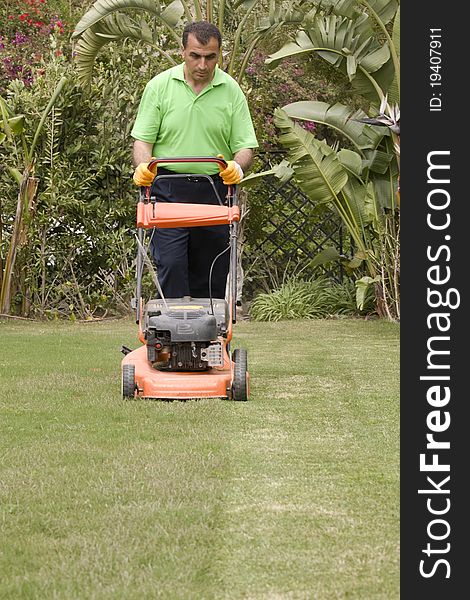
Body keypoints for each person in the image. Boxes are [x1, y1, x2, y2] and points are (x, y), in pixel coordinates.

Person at [131, 20, 258, 299]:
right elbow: (142, 141)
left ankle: (207, 338)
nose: (203, 64)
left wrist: (237, 166)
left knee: (211, 270)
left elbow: (246, 145)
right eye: (195, 56)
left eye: (210, 57)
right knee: (172, 264)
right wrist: (143, 166)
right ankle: (175, 336)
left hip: (214, 188)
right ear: (182, 51)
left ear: (219, 54)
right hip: (167, 188)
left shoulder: (231, 90)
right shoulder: (160, 87)